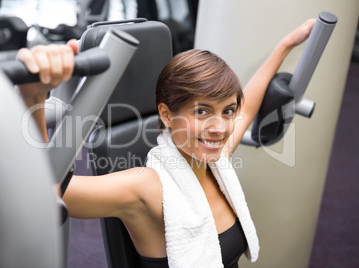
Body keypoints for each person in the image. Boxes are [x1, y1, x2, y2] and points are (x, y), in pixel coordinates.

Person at [17, 18, 315, 268]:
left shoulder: (215, 158)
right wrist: (32, 96)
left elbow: (247, 106)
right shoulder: (147, 187)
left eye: (227, 112)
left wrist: (287, 44)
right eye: (202, 111)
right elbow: (43, 190)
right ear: (167, 115)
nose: (220, 128)